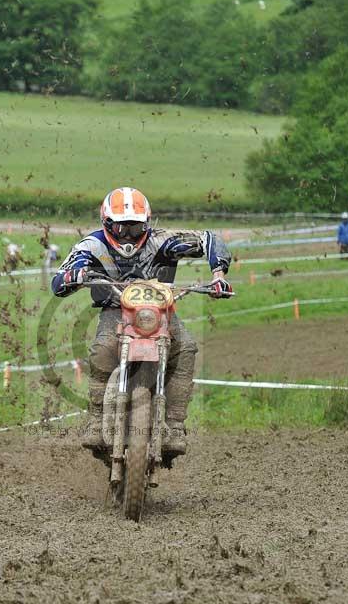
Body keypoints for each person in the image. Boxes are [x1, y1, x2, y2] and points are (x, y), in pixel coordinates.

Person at [52, 187, 232, 455]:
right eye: (121, 228)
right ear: (107, 223)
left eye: (135, 228)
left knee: (186, 348)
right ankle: (95, 418)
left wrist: (218, 275)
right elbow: (59, 279)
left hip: (160, 312)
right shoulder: (92, 246)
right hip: (115, 309)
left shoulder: (163, 241)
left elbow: (208, 239)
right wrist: (71, 277)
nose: (127, 235)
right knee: (102, 348)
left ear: (147, 223)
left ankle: (175, 423)